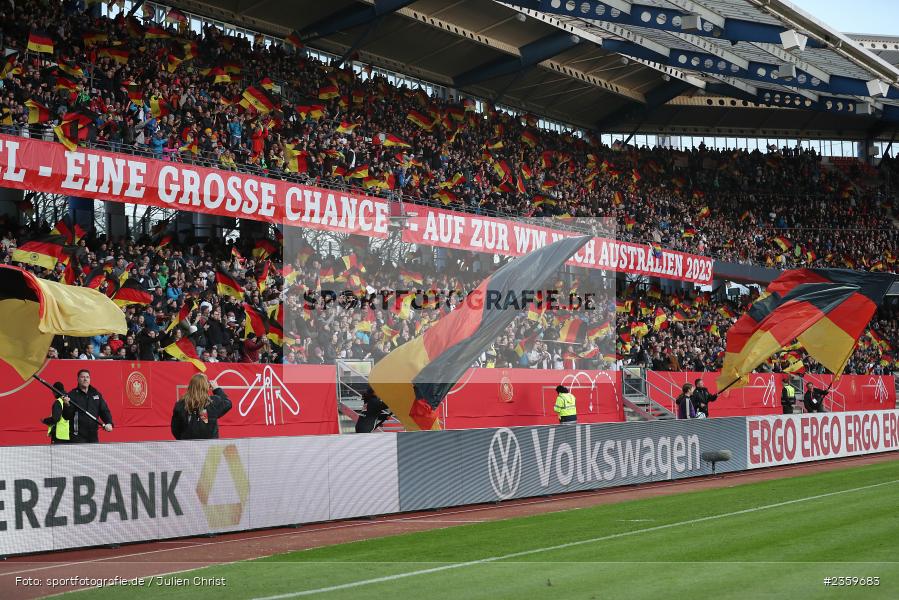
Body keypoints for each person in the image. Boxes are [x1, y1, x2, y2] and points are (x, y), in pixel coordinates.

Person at [171, 373, 232, 440]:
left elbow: (175, 429)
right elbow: (228, 403)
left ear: (190, 386)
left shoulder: (180, 404)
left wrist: (184, 438)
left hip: (188, 444)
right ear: (206, 387)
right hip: (209, 445)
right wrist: (217, 389)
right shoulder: (213, 402)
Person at [67, 370, 114, 443]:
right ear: (78, 379)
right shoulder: (72, 395)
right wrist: (67, 405)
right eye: (82, 377)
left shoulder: (96, 394)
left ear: (90, 379)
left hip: (93, 436)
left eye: (87, 377)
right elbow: (66, 416)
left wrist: (109, 422)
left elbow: (104, 410)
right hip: (77, 437)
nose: (85, 379)